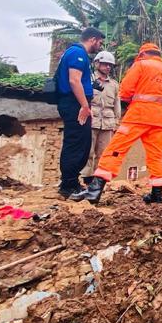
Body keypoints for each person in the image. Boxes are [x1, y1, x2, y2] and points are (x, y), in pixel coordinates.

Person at [74, 42, 162, 204]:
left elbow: (125, 91)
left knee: (116, 149)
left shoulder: (141, 65)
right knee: (156, 156)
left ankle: (94, 191)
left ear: (142, 54)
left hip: (137, 115)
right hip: (159, 119)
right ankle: (157, 194)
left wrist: (136, 100)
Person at [56, 27, 105, 198]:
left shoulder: (77, 54)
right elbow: (74, 81)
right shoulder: (77, 53)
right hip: (74, 104)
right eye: (100, 42)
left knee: (81, 143)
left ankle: (71, 182)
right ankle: (68, 185)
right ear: (92, 39)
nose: (100, 46)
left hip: (75, 103)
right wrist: (84, 106)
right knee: (76, 143)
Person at [80, 50, 121, 184]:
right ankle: (86, 178)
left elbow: (116, 105)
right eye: (105, 64)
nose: (108, 67)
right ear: (97, 63)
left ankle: (98, 180)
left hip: (108, 123)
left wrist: (116, 122)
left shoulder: (114, 85)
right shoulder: (89, 80)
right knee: (88, 151)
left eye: (110, 65)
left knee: (103, 153)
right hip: (92, 120)